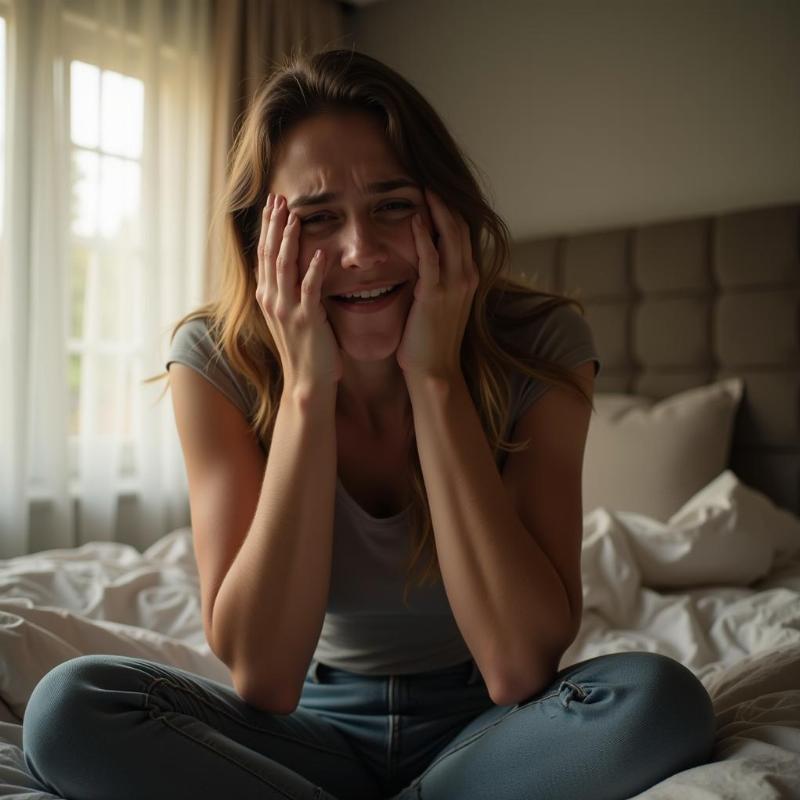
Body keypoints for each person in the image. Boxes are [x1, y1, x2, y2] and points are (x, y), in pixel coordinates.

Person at [22, 47, 716, 800]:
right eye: (318, 220)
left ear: (444, 208)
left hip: (496, 728)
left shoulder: (541, 345)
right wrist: (307, 392)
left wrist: (436, 377)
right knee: (70, 711)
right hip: (306, 732)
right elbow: (265, 676)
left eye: (394, 206)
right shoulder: (215, 361)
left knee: (661, 702)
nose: (362, 252)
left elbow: (519, 667)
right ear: (265, 240)